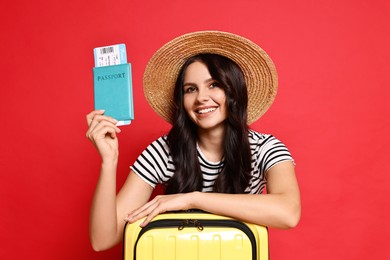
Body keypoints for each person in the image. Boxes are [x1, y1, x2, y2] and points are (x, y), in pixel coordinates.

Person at [86, 31, 301, 251]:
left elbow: (288, 213)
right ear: (182, 101)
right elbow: (102, 240)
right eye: (190, 89)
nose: (201, 98)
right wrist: (108, 161)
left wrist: (192, 200)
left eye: (214, 84)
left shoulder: (265, 148)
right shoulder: (164, 151)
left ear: (234, 93)